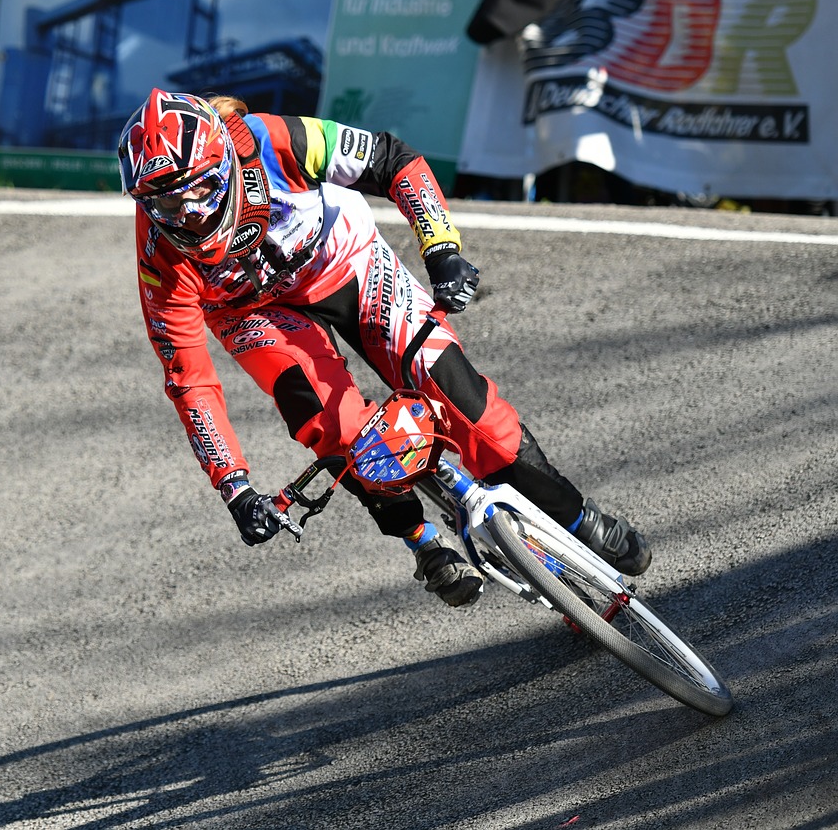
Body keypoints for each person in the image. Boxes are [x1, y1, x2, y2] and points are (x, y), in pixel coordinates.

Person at [118, 89, 651, 607]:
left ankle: (578, 517)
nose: (185, 212)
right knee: (335, 426)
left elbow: (392, 159)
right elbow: (190, 381)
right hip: (253, 312)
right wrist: (233, 485)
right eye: (164, 199)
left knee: (470, 409)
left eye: (194, 189)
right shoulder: (157, 259)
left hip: (344, 261)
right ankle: (421, 543)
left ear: (224, 164)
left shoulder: (272, 140)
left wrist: (441, 248)